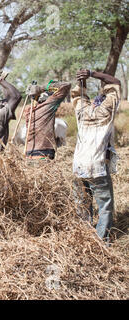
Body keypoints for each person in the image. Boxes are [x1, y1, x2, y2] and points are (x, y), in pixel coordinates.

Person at [71, 69, 121, 243]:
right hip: (97, 165)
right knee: (105, 205)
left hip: (78, 165)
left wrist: (81, 80)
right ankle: (101, 240)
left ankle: (84, 236)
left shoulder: (82, 112)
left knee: (82, 204)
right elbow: (115, 83)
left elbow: (78, 94)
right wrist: (92, 73)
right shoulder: (107, 112)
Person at [24, 80, 71, 160]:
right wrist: (41, 88)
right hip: (44, 153)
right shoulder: (48, 106)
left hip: (29, 154)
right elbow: (66, 85)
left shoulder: (29, 111)